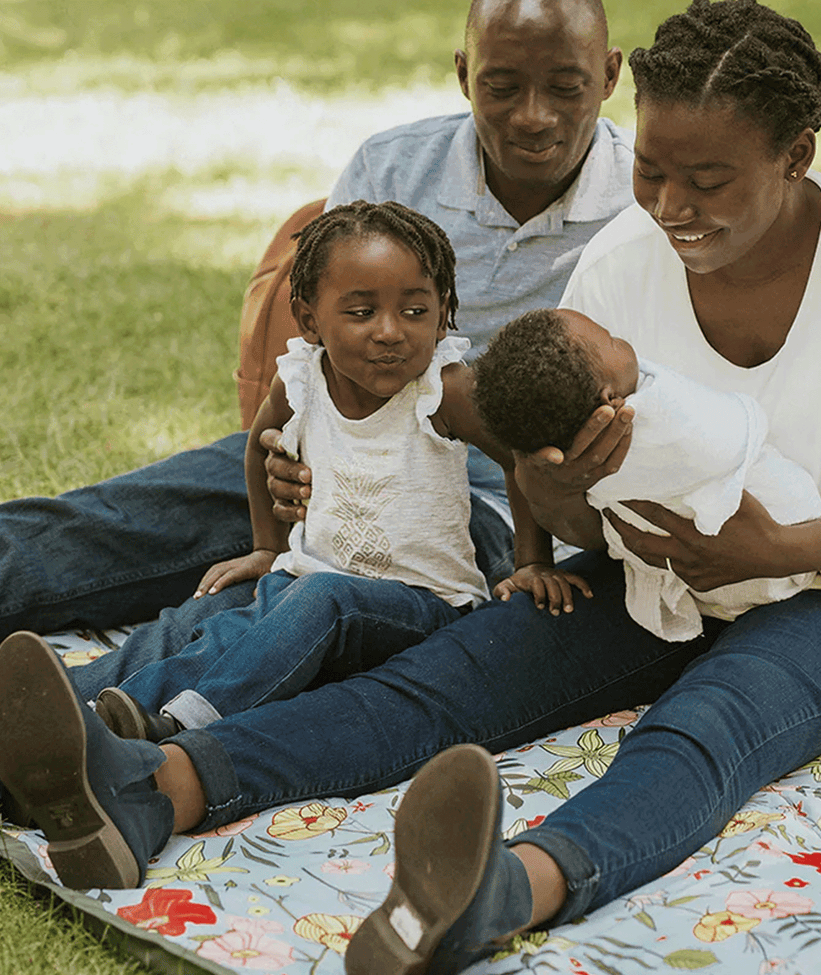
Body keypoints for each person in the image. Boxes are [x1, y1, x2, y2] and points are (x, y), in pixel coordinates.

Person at [0, 1, 821, 975]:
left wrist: (778, 544)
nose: (668, 202)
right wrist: (562, 488)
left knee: (706, 726)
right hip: (653, 569)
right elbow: (564, 507)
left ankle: (498, 890)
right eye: (650, 169)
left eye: (707, 180)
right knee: (446, 676)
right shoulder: (617, 264)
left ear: (796, 154)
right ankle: (153, 787)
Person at [0, 0, 630, 668]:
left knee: (277, 606)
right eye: (502, 87)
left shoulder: (643, 202)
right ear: (463, 72)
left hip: (487, 498)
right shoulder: (393, 166)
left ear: (611, 75)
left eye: (566, 87)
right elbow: (320, 333)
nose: (534, 115)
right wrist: (286, 449)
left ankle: (106, 711)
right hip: (332, 442)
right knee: (110, 525)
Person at [93, 203, 587, 747]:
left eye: (415, 311)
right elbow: (260, 449)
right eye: (360, 313)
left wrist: (533, 560)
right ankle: (97, 715)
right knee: (220, 624)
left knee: (323, 599)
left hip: (425, 606)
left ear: (444, 311)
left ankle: (184, 724)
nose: (390, 333)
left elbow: (519, 461)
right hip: (307, 583)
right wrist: (266, 548)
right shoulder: (301, 379)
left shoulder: (443, 389)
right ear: (309, 319)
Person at [475, 306, 821, 641]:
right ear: (609, 400)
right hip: (782, 540)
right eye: (612, 339)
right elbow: (737, 428)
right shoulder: (658, 423)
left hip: (741, 566)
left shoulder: (569, 450)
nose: (623, 340)